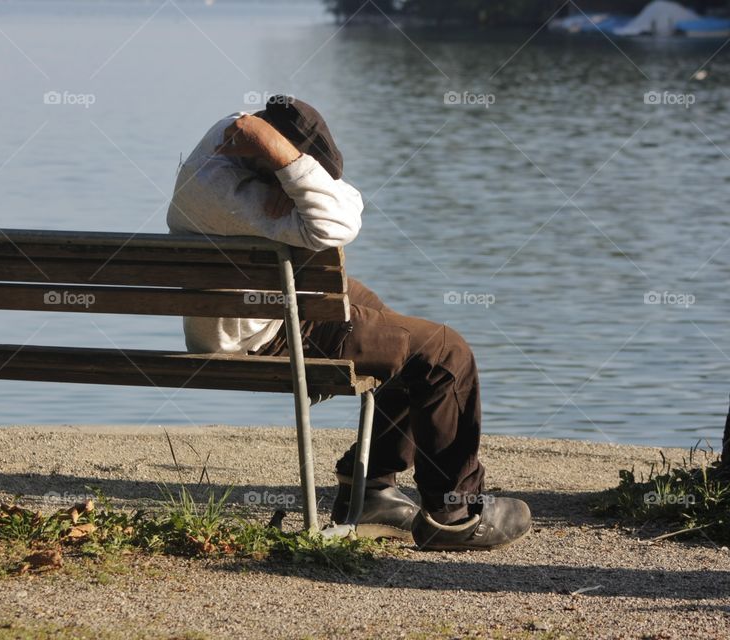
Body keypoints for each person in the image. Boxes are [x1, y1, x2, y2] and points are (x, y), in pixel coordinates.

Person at [166, 96, 531, 550]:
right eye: (293, 164)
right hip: (270, 332)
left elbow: (347, 197)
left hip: (273, 304)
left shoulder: (222, 147)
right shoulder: (228, 199)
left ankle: (374, 486)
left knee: (393, 329)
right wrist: (290, 169)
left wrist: (287, 172)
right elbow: (341, 221)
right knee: (444, 352)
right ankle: (453, 514)